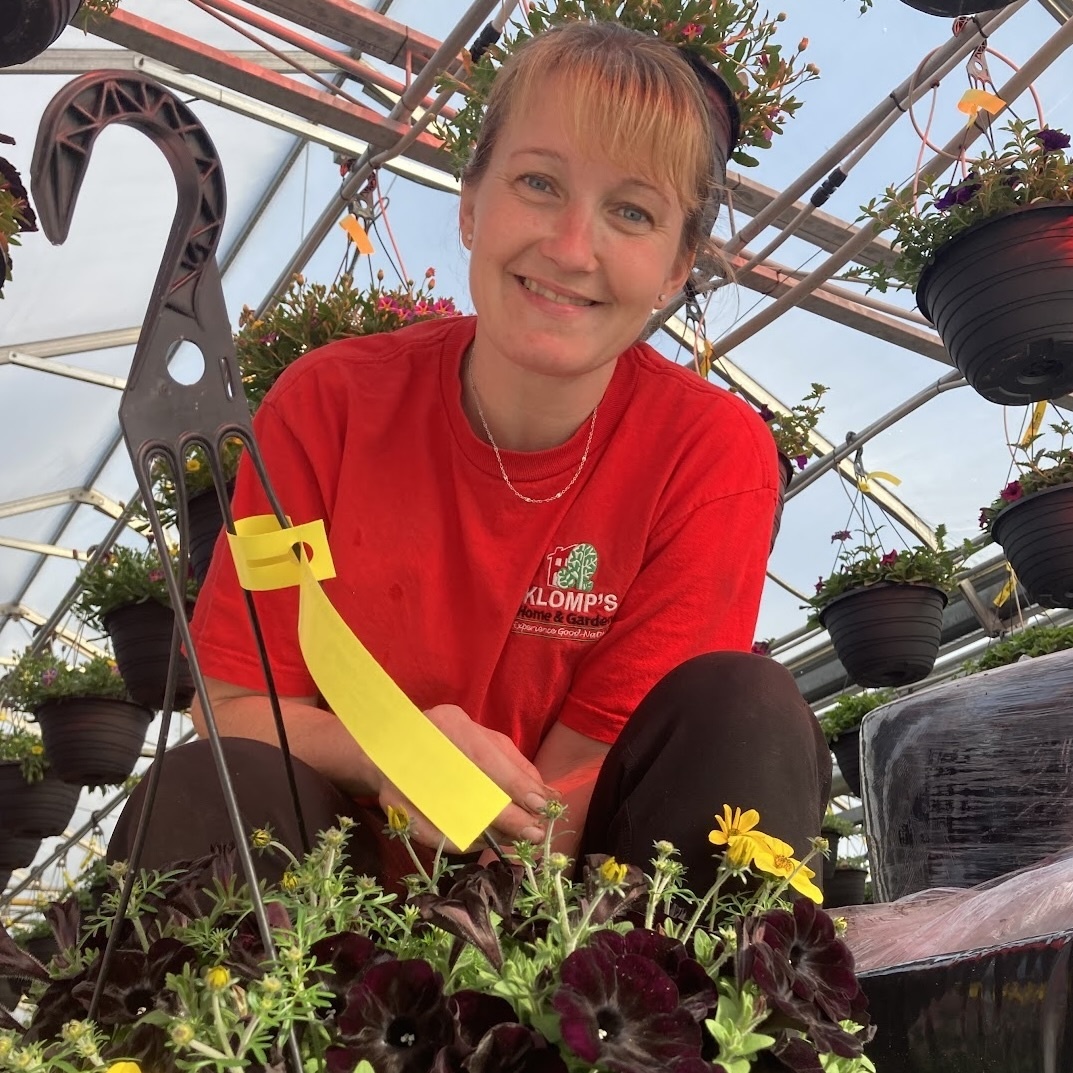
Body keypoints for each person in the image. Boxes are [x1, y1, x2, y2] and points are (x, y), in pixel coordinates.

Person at [110, 20, 830, 892]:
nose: (570, 248)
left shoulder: (708, 456)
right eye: (538, 183)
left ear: (677, 267)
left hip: (571, 908)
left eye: (630, 212)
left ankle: (678, 1015)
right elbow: (229, 709)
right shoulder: (329, 405)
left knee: (746, 709)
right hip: (327, 903)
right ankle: (234, 1030)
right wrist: (396, 752)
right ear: (469, 203)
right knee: (202, 791)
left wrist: (490, 955)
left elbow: (579, 780)